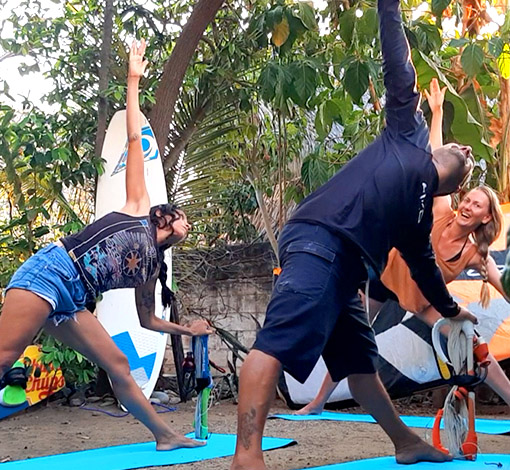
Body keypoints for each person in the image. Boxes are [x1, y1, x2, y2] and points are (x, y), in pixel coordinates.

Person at [230, 0, 478, 467]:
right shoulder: (409, 135)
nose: (463, 145)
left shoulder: (417, 219)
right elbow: (397, 64)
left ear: (457, 176)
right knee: (277, 342)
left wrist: (452, 312)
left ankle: (406, 444)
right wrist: (389, 6)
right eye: (459, 145)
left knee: (359, 363)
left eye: (465, 152)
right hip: (320, 239)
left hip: (344, 267)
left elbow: (424, 270)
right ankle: (247, 456)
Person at [0, 40, 213, 450]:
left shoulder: (151, 269)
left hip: (73, 300)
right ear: (165, 217)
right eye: (185, 217)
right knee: (5, 357)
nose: (190, 224)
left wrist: (187, 329)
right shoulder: (137, 208)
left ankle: (166, 436)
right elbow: (135, 139)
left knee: (118, 364)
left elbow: (149, 321)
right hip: (51, 273)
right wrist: (133, 79)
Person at [296, 79, 510, 417]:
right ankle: (318, 401)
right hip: (386, 279)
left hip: (424, 299)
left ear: (486, 217)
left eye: (478, 205)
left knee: (472, 342)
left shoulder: (473, 252)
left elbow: (501, 284)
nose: (468, 206)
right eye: (468, 199)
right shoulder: (442, 210)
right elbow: (437, 158)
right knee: (354, 335)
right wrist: (437, 112)